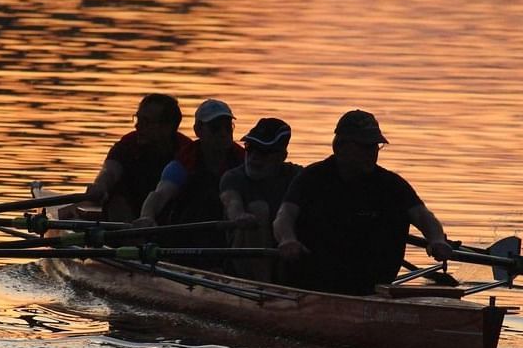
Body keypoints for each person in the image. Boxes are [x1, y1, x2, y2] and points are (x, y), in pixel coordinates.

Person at [273, 109, 451, 296]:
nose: (372, 153)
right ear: (340, 146)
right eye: (365, 146)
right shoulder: (312, 178)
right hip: (315, 283)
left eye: (375, 146)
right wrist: (287, 239)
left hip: (371, 285)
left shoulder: (391, 184)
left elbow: (423, 216)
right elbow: (284, 216)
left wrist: (437, 240)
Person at [134, 99, 245, 245]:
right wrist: (147, 216)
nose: (223, 134)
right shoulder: (186, 160)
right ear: (198, 130)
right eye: (215, 128)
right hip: (188, 233)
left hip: (228, 231)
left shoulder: (243, 158)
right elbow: (159, 195)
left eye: (228, 128)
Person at [74, 93, 190, 222]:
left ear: (167, 127)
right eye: (137, 119)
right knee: (117, 192)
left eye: (146, 122)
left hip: (167, 217)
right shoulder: (128, 144)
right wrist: (100, 185)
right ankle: (129, 238)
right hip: (126, 218)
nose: (137, 126)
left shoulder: (187, 151)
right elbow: (110, 171)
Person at [219, 117, 302, 281]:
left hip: (284, 257)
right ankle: (263, 287)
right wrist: (239, 216)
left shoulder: (297, 176)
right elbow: (231, 202)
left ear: (282, 156)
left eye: (263, 151)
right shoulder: (233, 177)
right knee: (259, 208)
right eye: (250, 148)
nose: (254, 157)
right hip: (240, 264)